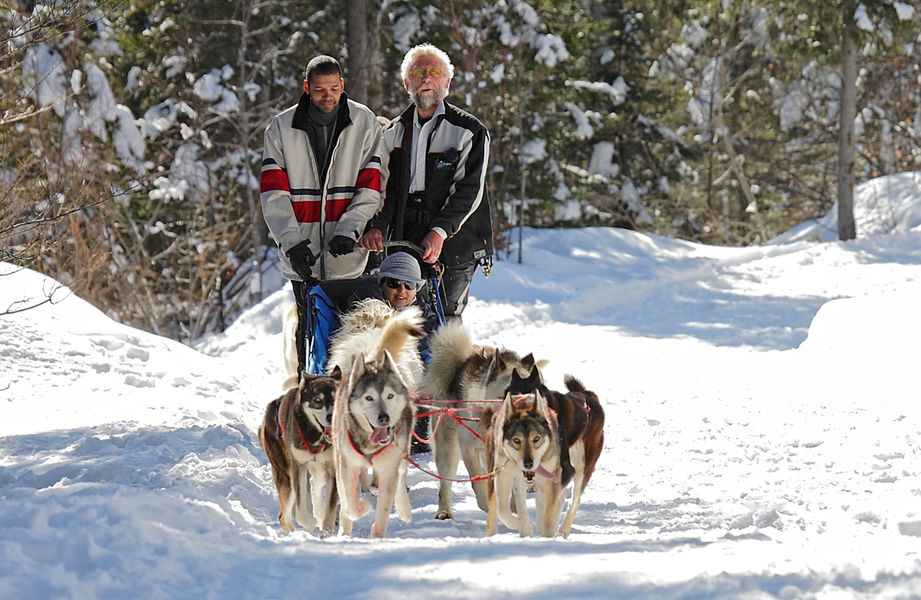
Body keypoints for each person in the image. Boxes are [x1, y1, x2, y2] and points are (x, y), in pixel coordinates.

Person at [261, 54, 385, 377]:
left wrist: (350, 229)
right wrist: (291, 243)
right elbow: (273, 193)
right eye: (318, 90)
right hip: (302, 257)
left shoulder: (365, 123)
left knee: (349, 335)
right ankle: (308, 390)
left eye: (333, 88)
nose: (327, 96)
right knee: (309, 331)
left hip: (348, 258)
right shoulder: (281, 128)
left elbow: (371, 185)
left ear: (342, 85)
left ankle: (346, 398)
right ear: (307, 88)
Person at [359, 43, 493, 322]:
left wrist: (439, 231)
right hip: (404, 235)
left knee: (445, 317)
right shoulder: (393, 132)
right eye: (418, 73)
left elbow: (469, 191)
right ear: (407, 83)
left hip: (455, 240)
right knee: (403, 318)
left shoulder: (469, 131)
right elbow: (385, 188)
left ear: (447, 82)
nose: (426, 79)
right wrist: (378, 226)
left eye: (434, 72)